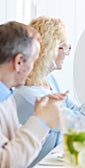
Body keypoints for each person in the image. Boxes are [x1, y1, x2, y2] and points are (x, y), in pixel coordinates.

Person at [13, 16, 85, 166]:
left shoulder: (49, 82)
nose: (67, 53)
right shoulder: (29, 94)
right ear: (49, 49)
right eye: (64, 46)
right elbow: (80, 122)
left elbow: (78, 113)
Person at [0, 21, 67, 167]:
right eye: (34, 60)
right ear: (18, 62)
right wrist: (40, 121)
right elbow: (7, 163)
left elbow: (18, 148)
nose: (33, 68)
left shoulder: (7, 96)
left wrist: (42, 120)